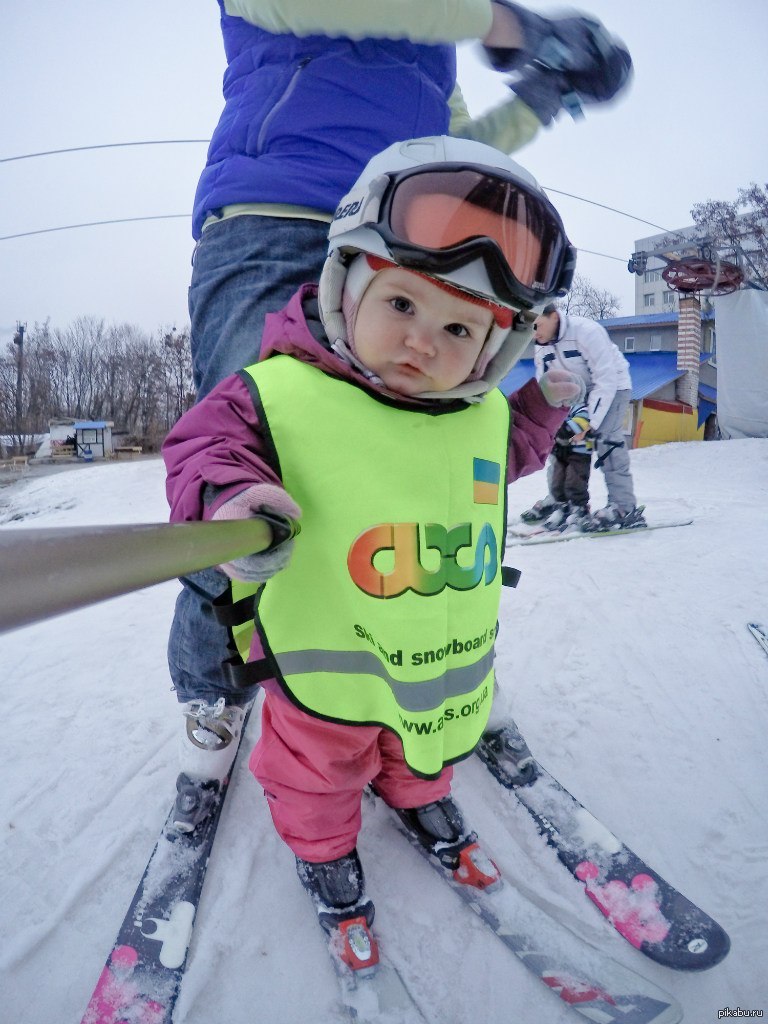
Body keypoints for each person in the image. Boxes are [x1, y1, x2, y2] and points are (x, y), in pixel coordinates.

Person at [169, 0, 633, 832]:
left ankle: (426, 673)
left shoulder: (438, 52)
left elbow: (452, 153)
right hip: (283, 219)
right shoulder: (435, 14)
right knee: (249, 465)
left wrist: (539, 95)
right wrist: (515, 28)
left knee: (435, 474)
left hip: (413, 239)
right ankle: (217, 688)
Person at [163, 136, 584, 953]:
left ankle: (420, 796)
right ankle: (324, 856)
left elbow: (502, 467)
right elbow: (203, 451)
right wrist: (233, 502)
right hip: (323, 665)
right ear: (345, 281)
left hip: (437, 664)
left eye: (460, 327)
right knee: (314, 777)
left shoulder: (477, 414)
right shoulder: (279, 391)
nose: (424, 341)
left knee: (426, 748)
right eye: (401, 305)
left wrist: (536, 411)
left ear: (494, 349)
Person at [528, 303, 647, 530]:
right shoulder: (541, 345)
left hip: (612, 387)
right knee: (560, 443)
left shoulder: (586, 332)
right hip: (575, 392)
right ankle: (559, 499)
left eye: (538, 325)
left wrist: (589, 422)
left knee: (607, 440)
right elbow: (547, 383)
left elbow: (606, 377)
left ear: (553, 316)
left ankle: (623, 506)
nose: (534, 333)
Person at [534, 401, 594, 531]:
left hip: (579, 452)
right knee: (557, 481)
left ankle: (580, 510)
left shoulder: (577, 405)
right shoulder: (555, 407)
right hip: (561, 451)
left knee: (575, 481)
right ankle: (562, 508)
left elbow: (583, 419)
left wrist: (567, 428)